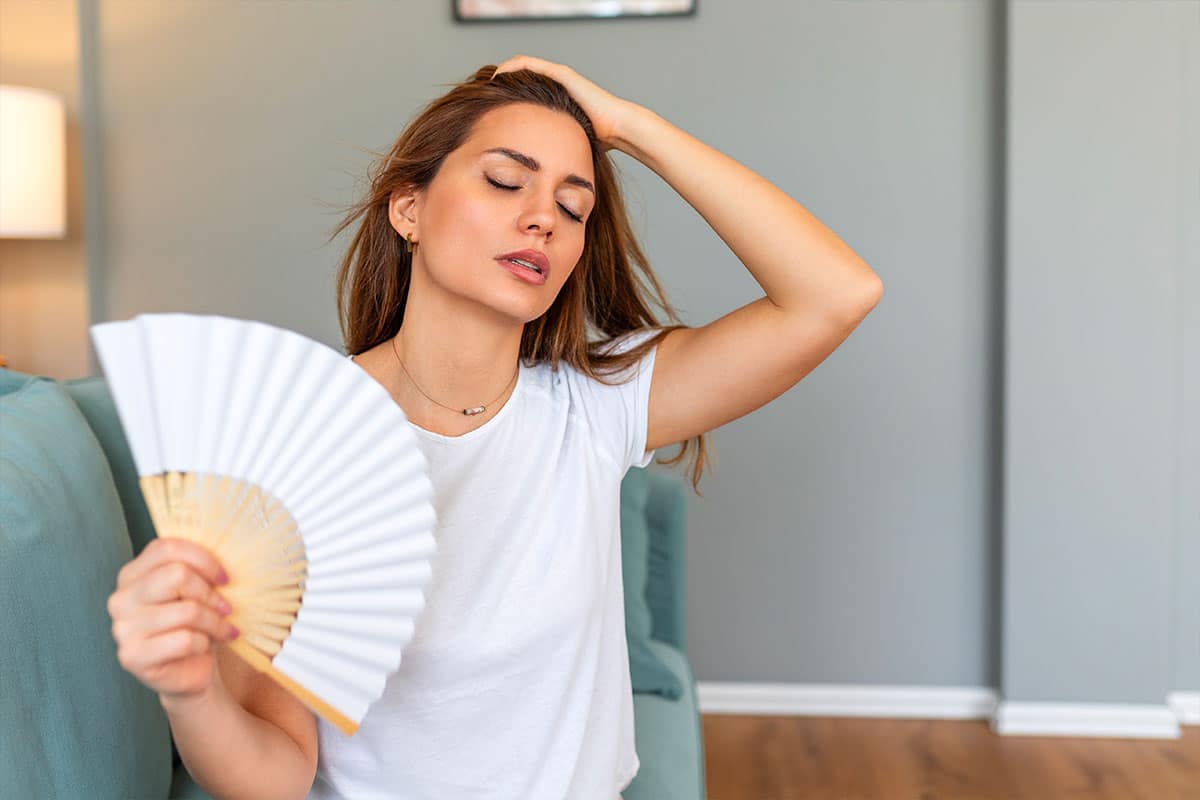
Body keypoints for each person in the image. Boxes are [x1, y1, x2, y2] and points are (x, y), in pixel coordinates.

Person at [106, 57, 882, 800]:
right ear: (409, 209)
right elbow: (275, 772)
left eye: (574, 206)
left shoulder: (596, 405)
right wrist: (191, 691)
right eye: (506, 180)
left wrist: (628, 126)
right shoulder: (303, 443)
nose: (542, 215)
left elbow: (837, 293)